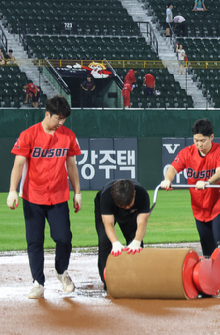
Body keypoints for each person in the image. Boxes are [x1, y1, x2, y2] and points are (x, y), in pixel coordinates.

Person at [7, 95, 82, 299]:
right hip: (33, 196)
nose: (61, 123)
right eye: (58, 118)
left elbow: (71, 166)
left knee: (64, 238)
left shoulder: (67, 136)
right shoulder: (28, 135)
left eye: (64, 119)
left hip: (58, 196)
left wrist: (77, 192)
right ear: (47, 114)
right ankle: (38, 282)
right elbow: (18, 164)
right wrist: (13, 190)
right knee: (35, 241)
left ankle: (61, 271)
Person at [160, 119, 220, 290]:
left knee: (219, 239)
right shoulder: (187, 152)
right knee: (205, 241)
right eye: (196, 140)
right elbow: (173, 167)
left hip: (219, 203)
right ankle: (208, 272)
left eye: (203, 140)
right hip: (199, 206)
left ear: (211, 137)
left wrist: (208, 181)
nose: (199, 144)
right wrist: (167, 179)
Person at [95, 179, 151, 290]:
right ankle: (107, 281)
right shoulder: (107, 196)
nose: (126, 208)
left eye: (128, 205)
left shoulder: (142, 195)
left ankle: (136, 278)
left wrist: (136, 241)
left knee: (134, 240)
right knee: (104, 241)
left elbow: (142, 223)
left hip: (132, 214)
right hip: (109, 209)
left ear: (134, 194)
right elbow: (108, 224)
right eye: (123, 206)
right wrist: (115, 243)